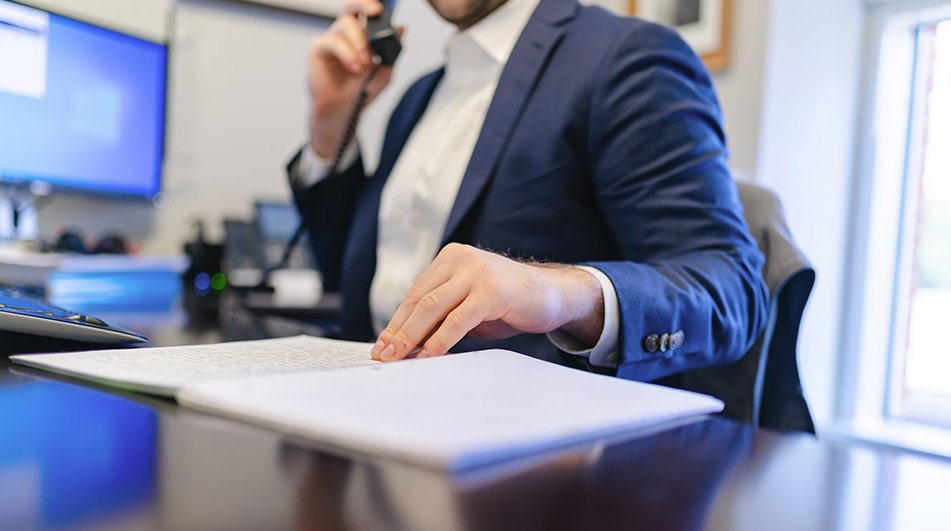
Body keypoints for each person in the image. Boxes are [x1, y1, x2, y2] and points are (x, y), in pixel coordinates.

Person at [288, 0, 768, 382]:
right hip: (366, 419)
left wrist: (560, 293)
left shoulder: (627, 59)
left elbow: (732, 293)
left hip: (542, 470)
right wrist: (331, 126)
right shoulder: (416, 99)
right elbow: (350, 285)